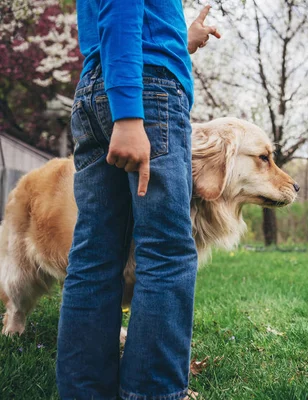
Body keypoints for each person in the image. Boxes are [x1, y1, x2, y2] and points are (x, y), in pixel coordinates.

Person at [56, 2, 220, 399]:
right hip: (147, 93)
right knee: (166, 251)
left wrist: (182, 40)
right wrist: (129, 114)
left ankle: (84, 391)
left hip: (101, 85)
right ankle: (153, 392)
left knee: (96, 252)